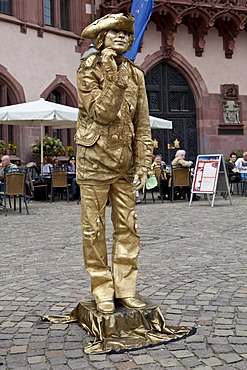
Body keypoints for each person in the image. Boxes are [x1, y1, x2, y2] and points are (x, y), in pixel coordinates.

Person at [75, 13, 153, 314]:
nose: (121, 37)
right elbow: (102, 113)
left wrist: (143, 162)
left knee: (128, 228)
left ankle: (126, 288)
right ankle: (102, 289)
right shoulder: (88, 70)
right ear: (101, 39)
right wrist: (113, 75)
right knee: (93, 230)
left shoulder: (136, 74)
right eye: (114, 32)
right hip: (94, 160)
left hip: (125, 163)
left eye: (125, 33)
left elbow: (142, 123)